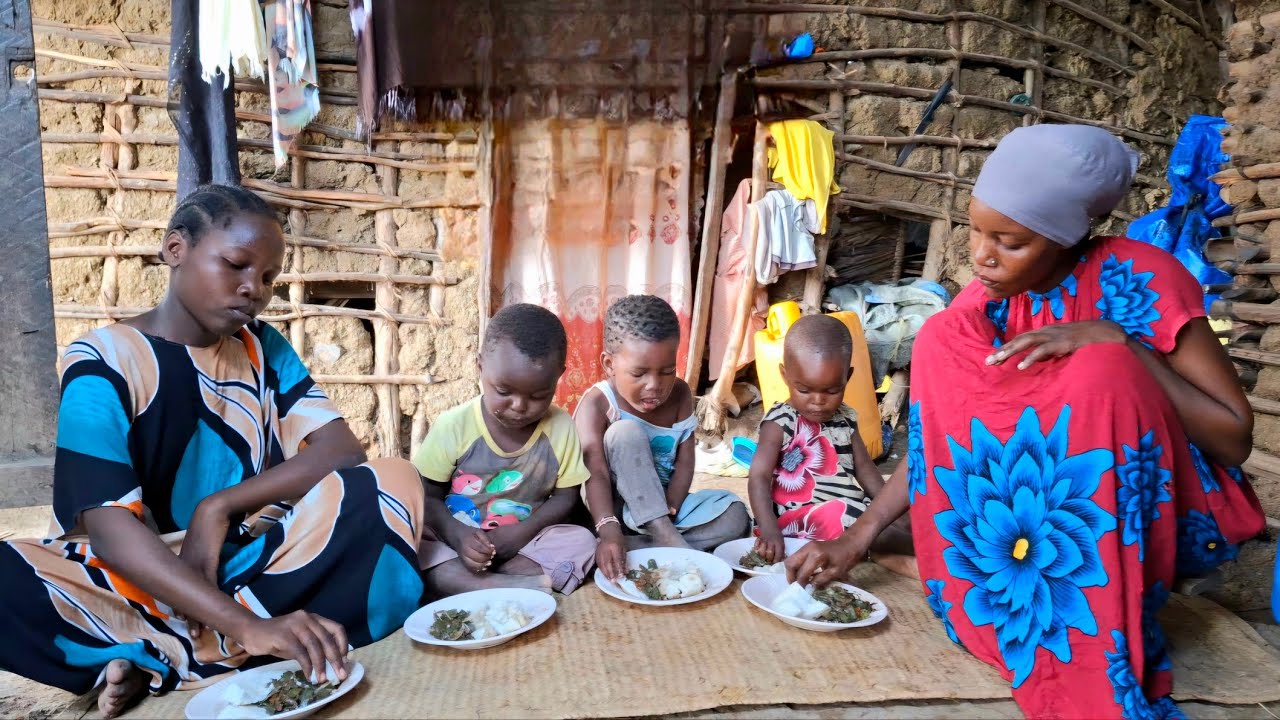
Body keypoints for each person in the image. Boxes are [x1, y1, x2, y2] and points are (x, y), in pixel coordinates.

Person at [786, 124, 1265, 719]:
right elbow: (942, 433)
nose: (981, 256)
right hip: (1035, 523)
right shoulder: (992, 296)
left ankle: (1086, 625)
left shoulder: (1139, 277)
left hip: (1162, 501)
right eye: (976, 231)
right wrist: (856, 537)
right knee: (941, 339)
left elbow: (1233, 439)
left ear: (1068, 237)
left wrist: (1125, 346)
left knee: (1102, 369)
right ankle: (1007, 595)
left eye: (1008, 241)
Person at [0, 185, 427, 717]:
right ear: (176, 249)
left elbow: (341, 451)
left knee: (392, 479)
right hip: (138, 576)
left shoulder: (262, 346)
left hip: (251, 558)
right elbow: (110, 532)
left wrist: (216, 508)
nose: (254, 289)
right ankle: (230, 642)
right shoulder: (101, 360)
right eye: (236, 265)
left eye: (268, 278)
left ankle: (158, 655)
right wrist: (246, 623)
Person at [414, 303, 597, 597]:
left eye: (538, 395)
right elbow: (426, 496)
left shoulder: (560, 426)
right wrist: (458, 536)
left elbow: (567, 497)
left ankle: (475, 585)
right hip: (457, 538)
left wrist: (521, 533)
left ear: (558, 377)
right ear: (480, 366)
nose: (519, 406)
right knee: (414, 541)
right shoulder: (454, 426)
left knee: (582, 541)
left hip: (525, 540)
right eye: (503, 391)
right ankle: (512, 586)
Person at [576, 295, 750, 580]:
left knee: (734, 512)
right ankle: (660, 543)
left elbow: (685, 461)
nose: (654, 386)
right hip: (613, 514)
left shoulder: (680, 393)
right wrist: (609, 529)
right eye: (639, 373)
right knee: (624, 433)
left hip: (665, 510)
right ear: (609, 364)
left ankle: (644, 546)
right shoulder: (597, 404)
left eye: (667, 371)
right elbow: (593, 472)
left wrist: (672, 505)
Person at [746, 315, 885, 560]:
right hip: (797, 523)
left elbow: (866, 471)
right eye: (804, 390)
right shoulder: (779, 422)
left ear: (847, 378)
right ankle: (926, 548)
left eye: (832, 390)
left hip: (846, 514)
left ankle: (918, 543)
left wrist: (888, 509)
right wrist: (768, 529)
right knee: (872, 528)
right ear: (784, 375)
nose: (818, 401)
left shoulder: (846, 418)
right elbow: (759, 476)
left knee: (887, 519)